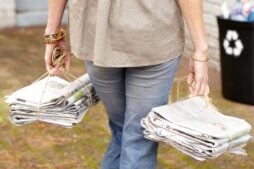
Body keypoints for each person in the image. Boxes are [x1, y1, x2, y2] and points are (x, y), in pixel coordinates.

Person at [44, 0, 210, 168]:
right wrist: (200, 49)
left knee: (121, 128)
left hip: (95, 33)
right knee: (138, 135)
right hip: (153, 31)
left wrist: (52, 33)